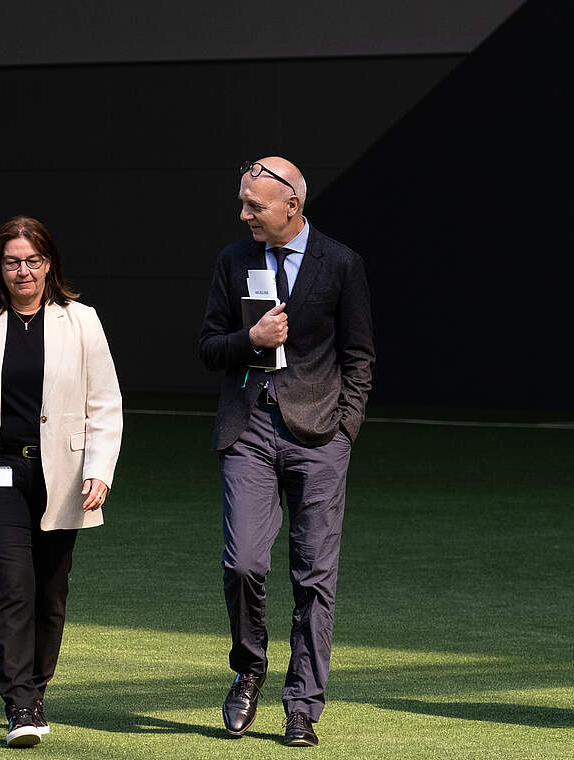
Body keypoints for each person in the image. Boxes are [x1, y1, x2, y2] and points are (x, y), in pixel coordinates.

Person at [0, 216, 122, 747]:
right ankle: (20, 705)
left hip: (64, 473)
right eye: (12, 261)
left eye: (33, 260)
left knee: (51, 593)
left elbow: (104, 404)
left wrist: (100, 469)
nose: (23, 271)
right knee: (14, 587)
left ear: (49, 263)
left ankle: (36, 686)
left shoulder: (82, 321)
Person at [198, 157, 374, 747]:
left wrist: (346, 428)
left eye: (255, 205)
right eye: (243, 202)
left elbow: (359, 355)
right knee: (243, 562)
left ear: (292, 207)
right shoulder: (232, 259)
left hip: (320, 436)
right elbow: (207, 347)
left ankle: (302, 705)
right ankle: (249, 670)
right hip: (247, 430)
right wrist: (249, 340)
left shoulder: (341, 263)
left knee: (313, 577)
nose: (244, 213)